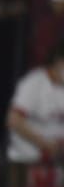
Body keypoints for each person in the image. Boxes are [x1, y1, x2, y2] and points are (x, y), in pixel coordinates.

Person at [6, 39, 64, 172]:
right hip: (29, 160)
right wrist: (43, 143)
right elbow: (13, 120)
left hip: (57, 162)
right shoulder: (34, 82)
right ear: (59, 62)